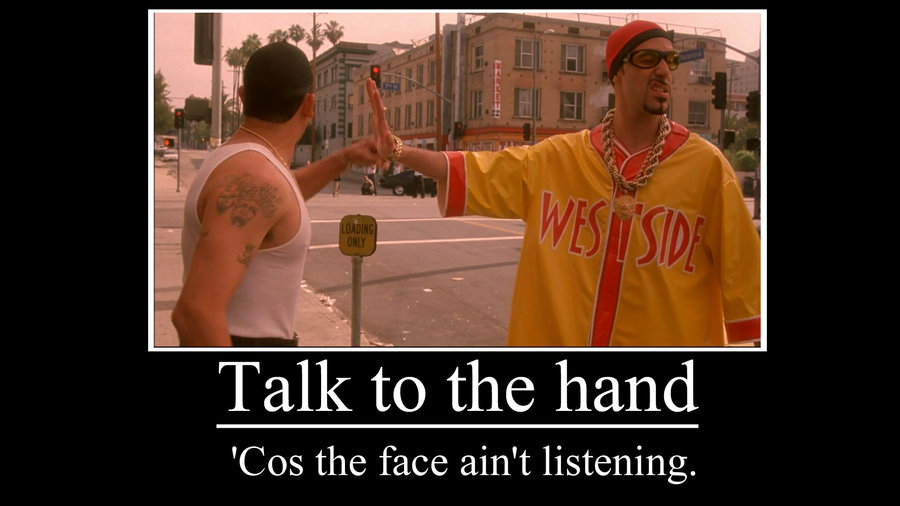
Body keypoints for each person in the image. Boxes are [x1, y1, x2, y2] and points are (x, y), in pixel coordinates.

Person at [364, 20, 760, 347]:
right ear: (617, 72)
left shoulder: (707, 169)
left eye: (669, 60)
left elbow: (748, 290)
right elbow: (471, 168)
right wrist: (397, 149)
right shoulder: (558, 159)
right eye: (647, 59)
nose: (663, 70)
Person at [172, 41, 383, 346]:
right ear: (309, 105)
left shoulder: (246, 164)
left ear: (242, 97)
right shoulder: (255, 175)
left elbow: (278, 200)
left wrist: (344, 158)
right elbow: (195, 314)